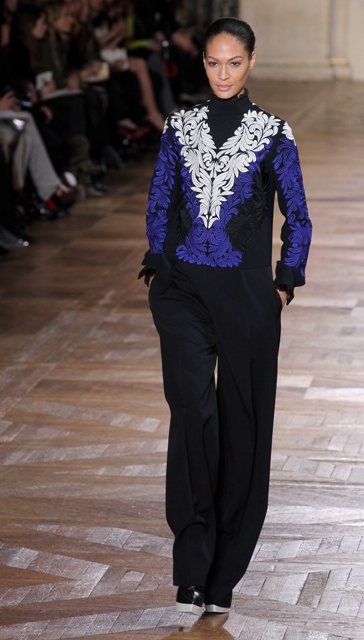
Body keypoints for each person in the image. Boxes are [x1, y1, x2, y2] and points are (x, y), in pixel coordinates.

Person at [139, 17, 312, 617]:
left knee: (244, 430)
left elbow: (299, 215)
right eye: (213, 62)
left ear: (251, 62)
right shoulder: (180, 127)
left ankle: (221, 577)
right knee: (193, 411)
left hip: (246, 298)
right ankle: (192, 566)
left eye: (233, 62)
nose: (222, 73)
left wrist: (284, 284)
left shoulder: (273, 134)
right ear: (204, 63)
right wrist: (157, 262)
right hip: (183, 291)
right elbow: (160, 199)